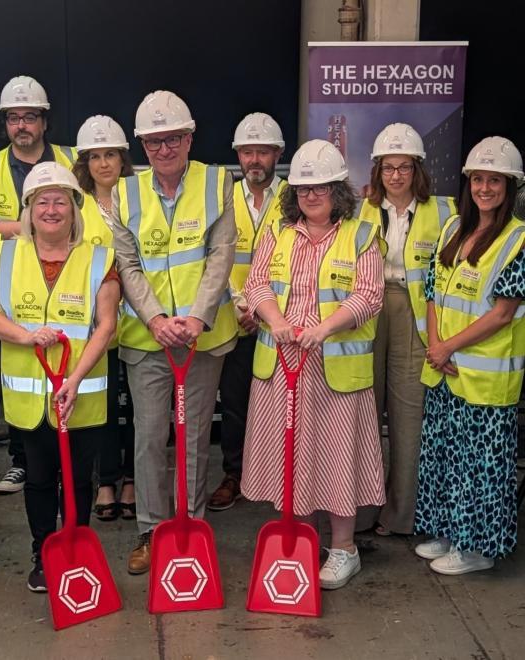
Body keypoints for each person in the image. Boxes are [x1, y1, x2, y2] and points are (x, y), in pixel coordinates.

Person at [242, 139, 385, 590]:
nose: (311, 195)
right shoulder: (278, 231)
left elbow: (369, 295)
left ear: (337, 190)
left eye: (320, 187)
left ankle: (344, 549)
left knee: (339, 458)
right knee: (292, 457)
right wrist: (277, 320)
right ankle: (303, 542)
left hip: (335, 373)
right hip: (282, 367)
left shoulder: (361, 234)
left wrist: (325, 328)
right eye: (303, 188)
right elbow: (256, 283)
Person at [110, 90, 237, 575]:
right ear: (143, 146)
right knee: (148, 437)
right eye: (153, 142)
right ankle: (151, 531)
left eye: (172, 140)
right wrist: (157, 320)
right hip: (148, 340)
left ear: (189, 138)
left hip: (202, 337)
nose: (164, 150)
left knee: (195, 436)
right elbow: (128, 264)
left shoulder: (216, 182)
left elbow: (220, 254)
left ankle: (192, 528)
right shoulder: (125, 193)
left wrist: (197, 318)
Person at [0, 162, 120, 592]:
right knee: (38, 479)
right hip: (30, 400)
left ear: (75, 209)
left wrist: (74, 378)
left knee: (78, 480)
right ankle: (42, 553)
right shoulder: (4, 255)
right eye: (43, 201)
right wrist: (25, 336)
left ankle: (76, 548)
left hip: (81, 395)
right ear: (28, 209)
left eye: (61, 200)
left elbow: (106, 325)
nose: (52, 209)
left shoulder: (100, 258)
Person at [414, 136, 525, 575]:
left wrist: (447, 348)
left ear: (509, 186)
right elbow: (432, 292)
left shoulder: (517, 240)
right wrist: (437, 347)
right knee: (444, 457)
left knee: (480, 468)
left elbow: (502, 314)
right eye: (478, 179)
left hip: (483, 379)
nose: (484, 188)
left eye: (494, 180)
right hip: (445, 372)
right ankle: (448, 532)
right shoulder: (452, 229)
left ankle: (477, 548)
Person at [0, 75, 77, 495]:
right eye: (14, 118)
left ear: (44, 121)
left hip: (67, 272)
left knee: (68, 358)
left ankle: (71, 453)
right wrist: (34, 227)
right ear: (6, 123)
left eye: (30, 116)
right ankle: (21, 460)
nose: (22, 125)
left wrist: (43, 230)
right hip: (13, 278)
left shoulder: (70, 159)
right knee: (18, 369)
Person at [356, 123, 457, 536]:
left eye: (404, 167)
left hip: (418, 318)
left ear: (418, 170)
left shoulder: (446, 212)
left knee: (408, 415)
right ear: (378, 172)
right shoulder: (358, 209)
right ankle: (359, 511)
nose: (396, 176)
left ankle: (401, 514)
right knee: (362, 412)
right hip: (366, 315)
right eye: (388, 168)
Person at [209, 112, 288, 512]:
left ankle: (279, 475)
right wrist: (242, 304)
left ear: (277, 154)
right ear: (238, 156)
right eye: (247, 152)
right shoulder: (222, 195)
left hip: (282, 319)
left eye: (263, 152)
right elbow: (211, 259)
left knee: (281, 402)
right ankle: (234, 475)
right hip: (233, 318)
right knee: (236, 402)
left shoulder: (294, 196)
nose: (255, 159)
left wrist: (264, 309)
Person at [71, 115, 136, 521]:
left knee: (139, 408)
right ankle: (107, 480)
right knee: (104, 407)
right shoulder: (75, 203)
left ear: (122, 158)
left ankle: (133, 479)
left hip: (140, 320)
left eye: (110, 154)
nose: (103, 164)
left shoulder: (139, 197)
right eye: (95, 157)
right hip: (94, 326)